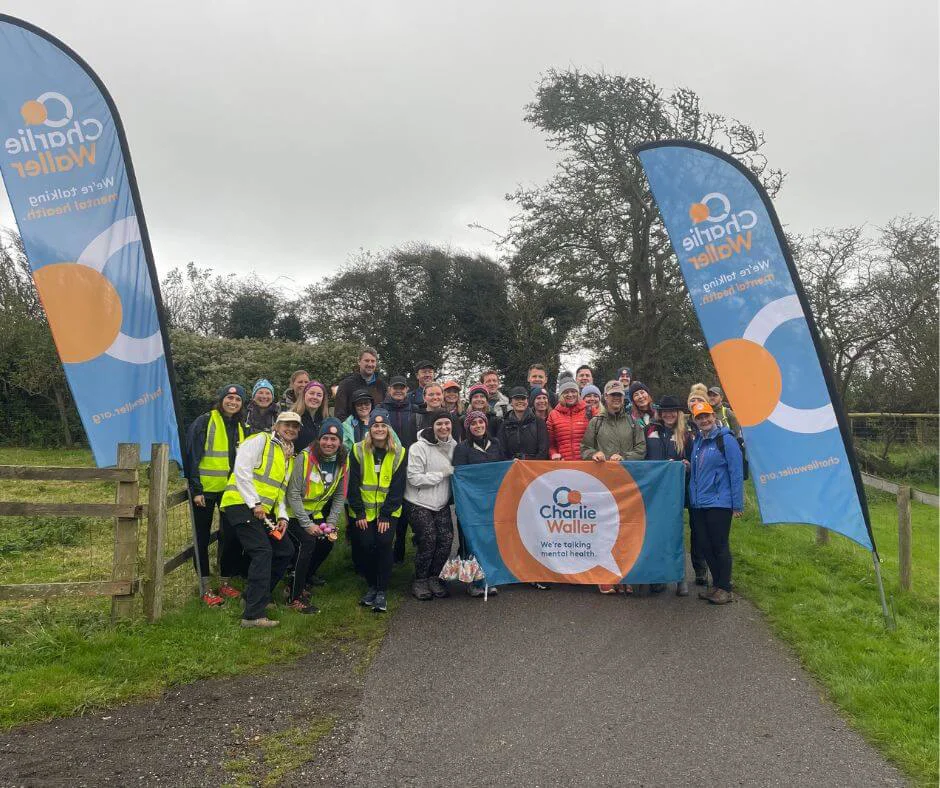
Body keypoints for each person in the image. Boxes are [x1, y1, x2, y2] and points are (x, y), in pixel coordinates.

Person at [219, 410, 300, 628]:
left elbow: (280, 491)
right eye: (286, 424)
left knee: (285, 550)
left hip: (262, 510)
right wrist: (254, 503)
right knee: (263, 552)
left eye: (295, 426)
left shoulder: (289, 456)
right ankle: (253, 615)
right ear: (277, 425)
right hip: (240, 503)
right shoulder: (259, 440)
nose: (290, 429)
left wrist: (283, 516)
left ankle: (254, 595)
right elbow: (242, 470)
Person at [581, 380, 647, 595]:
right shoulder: (596, 423)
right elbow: (585, 448)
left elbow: (641, 449)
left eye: (619, 396)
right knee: (603, 530)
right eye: (612, 396)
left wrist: (625, 457)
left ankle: (626, 574)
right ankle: (605, 576)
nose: (616, 399)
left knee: (627, 529)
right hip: (602, 485)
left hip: (627, 484)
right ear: (605, 398)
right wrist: (594, 454)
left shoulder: (632, 422)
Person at [185, 383, 247, 606]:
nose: (233, 402)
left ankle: (225, 581)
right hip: (205, 491)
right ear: (221, 400)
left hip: (230, 493)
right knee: (201, 538)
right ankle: (205, 588)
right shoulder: (205, 421)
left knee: (230, 536)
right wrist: (196, 489)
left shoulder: (241, 427)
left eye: (238, 399)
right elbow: (192, 455)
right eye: (229, 398)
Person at [346, 409, 407, 612]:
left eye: (383, 426)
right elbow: (352, 485)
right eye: (375, 425)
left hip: (388, 512)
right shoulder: (357, 450)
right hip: (363, 511)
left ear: (388, 429)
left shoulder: (399, 452)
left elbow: (398, 487)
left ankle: (381, 590)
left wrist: (386, 515)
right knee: (365, 544)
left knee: (383, 543)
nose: (379, 429)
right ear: (369, 429)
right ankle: (371, 586)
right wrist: (360, 512)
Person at [285, 417, 347, 613]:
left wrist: (331, 522)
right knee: (307, 542)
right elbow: (292, 493)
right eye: (325, 438)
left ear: (340, 442)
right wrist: (306, 524)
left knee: (327, 540)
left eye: (334, 439)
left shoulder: (343, 461)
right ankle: (293, 596)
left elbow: (339, 495)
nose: (329, 443)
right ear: (319, 439)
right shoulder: (305, 457)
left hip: (315, 511)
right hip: (293, 512)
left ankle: (303, 580)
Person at [688, 401, 744, 605]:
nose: (704, 420)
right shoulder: (697, 441)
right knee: (704, 543)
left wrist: (737, 504)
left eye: (707, 416)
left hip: (719, 501)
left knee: (719, 544)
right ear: (695, 420)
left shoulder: (725, 439)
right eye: (699, 417)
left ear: (714, 416)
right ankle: (717, 584)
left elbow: (736, 472)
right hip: (699, 502)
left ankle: (725, 587)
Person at [645, 395, 694, 596]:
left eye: (672, 411)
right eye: (665, 411)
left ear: (678, 413)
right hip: (654, 492)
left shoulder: (686, 435)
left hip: (676, 492)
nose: (669, 414)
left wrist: (687, 466)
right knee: (656, 534)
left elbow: (693, 461)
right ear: (660, 413)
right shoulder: (650, 431)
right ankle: (659, 577)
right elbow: (643, 456)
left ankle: (680, 577)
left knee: (675, 534)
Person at [406, 411, 458, 601]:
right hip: (418, 501)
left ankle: (434, 577)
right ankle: (420, 580)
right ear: (432, 426)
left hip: (441, 502)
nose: (443, 427)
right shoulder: (418, 447)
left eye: (447, 423)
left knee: (446, 539)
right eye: (439, 424)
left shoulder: (454, 446)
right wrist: (442, 473)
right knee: (429, 538)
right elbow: (413, 478)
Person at [452, 410, 504, 598]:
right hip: (470, 503)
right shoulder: (462, 448)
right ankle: (472, 581)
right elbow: (460, 476)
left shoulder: (496, 444)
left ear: (485, 424)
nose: (478, 426)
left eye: (480, 422)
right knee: (470, 540)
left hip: (492, 501)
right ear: (468, 428)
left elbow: (502, 468)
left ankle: (490, 578)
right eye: (473, 424)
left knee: (490, 540)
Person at [334, 347, 388, 421]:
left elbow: (385, 411)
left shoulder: (382, 385)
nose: (370, 364)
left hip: (377, 430)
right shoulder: (346, 384)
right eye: (366, 360)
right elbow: (339, 414)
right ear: (359, 362)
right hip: (352, 430)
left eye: (373, 361)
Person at [498, 387, 550, 460]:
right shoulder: (505, 425)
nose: (520, 401)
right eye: (516, 399)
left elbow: (543, 449)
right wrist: (511, 463)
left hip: (534, 468)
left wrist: (529, 465)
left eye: (523, 399)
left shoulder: (538, 423)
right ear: (510, 402)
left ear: (527, 401)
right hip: (512, 467)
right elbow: (501, 450)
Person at [547, 378, 589, 461]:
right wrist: (553, 454)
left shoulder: (589, 411)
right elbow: (550, 444)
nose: (570, 395)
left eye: (573, 391)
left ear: (578, 393)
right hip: (564, 465)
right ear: (561, 395)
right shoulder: (553, 414)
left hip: (587, 465)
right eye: (566, 392)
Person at [293, 380, 329, 451]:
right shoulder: (292, 417)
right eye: (311, 393)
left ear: (323, 399)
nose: (315, 397)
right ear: (304, 395)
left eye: (319, 395)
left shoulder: (327, 420)